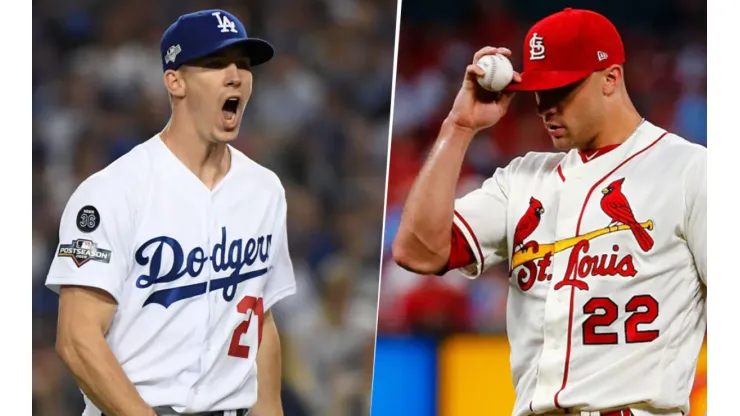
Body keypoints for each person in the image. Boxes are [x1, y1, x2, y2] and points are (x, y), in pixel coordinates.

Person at [392, 8, 706, 416]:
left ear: (611, 77)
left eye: (563, 89)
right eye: (540, 89)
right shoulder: (521, 178)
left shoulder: (689, 170)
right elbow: (417, 250)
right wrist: (459, 126)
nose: (545, 106)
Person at [46, 9, 296, 416]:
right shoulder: (111, 192)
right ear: (175, 81)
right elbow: (77, 339)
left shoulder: (265, 189)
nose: (235, 76)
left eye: (244, 65)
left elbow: (259, 317)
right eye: (216, 64)